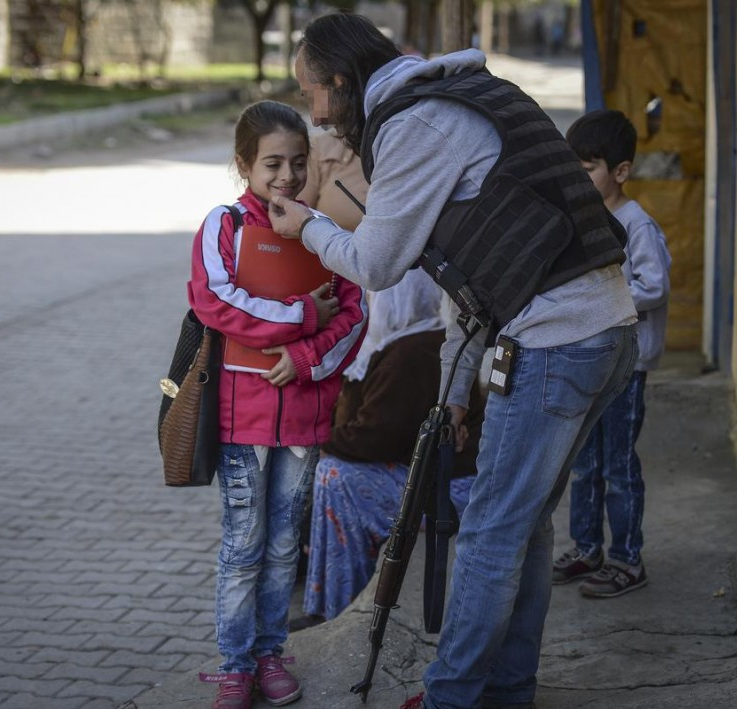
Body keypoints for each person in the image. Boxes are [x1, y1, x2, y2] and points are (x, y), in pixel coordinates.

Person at [268, 13, 639, 709]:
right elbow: (466, 273)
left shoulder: (415, 125)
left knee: (492, 533)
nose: (315, 118)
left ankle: (451, 695)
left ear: (342, 83)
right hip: (600, 330)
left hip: (561, 340)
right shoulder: (463, 94)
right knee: (522, 526)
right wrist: (458, 388)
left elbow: (377, 262)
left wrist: (310, 226)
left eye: (312, 95)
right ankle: (504, 690)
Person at [187, 99, 367, 709]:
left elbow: (353, 313)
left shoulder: (324, 233)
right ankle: (235, 664)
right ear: (243, 165)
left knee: (286, 545)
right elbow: (217, 300)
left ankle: (270, 655)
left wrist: (308, 357)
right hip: (243, 420)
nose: (286, 176)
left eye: (296, 163)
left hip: (306, 417)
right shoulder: (224, 227)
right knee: (244, 545)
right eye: (271, 164)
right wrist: (299, 315)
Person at [302, 268, 484, 623]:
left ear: (398, 301)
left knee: (336, 477)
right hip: (429, 472)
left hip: (452, 489)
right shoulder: (408, 340)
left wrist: (316, 441)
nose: (370, 303)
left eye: (377, 297)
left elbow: (376, 438)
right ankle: (327, 603)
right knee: (332, 470)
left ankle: (339, 607)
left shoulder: (413, 351)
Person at [553, 109, 672, 598]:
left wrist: (608, 295)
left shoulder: (636, 226)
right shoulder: (583, 219)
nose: (579, 180)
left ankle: (627, 559)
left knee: (618, 468)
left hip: (627, 367)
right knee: (583, 461)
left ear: (620, 172)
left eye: (588, 170)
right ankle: (587, 548)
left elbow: (655, 286)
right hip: (589, 361)